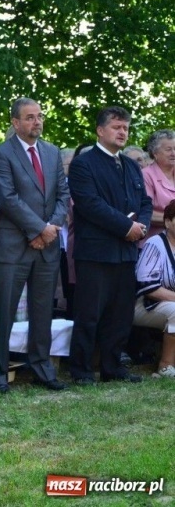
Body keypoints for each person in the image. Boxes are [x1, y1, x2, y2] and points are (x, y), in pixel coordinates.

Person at [0, 98, 70, 393]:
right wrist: (38, 229)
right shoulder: (1, 154)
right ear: (15, 122)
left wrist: (50, 229)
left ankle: (42, 368)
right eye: (30, 117)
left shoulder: (51, 151)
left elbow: (63, 195)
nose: (37, 122)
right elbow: (7, 198)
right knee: (5, 312)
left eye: (39, 116)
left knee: (42, 311)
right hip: (13, 246)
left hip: (46, 246)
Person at [67, 106, 152, 385]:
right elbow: (90, 204)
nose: (122, 132)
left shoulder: (131, 165)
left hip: (126, 251)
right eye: (116, 127)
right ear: (100, 130)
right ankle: (81, 370)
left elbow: (145, 202)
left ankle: (112, 367)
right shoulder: (84, 164)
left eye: (125, 127)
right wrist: (126, 226)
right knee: (89, 314)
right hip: (96, 252)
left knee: (120, 314)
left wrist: (140, 227)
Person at [133, 200, 175, 377]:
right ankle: (166, 366)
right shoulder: (155, 244)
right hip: (144, 305)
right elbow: (148, 286)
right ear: (168, 222)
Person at [141, 130, 175, 243]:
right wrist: (171, 220)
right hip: (156, 243)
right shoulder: (146, 175)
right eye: (168, 149)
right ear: (155, 153)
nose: (173, 153)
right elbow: (145, 212)